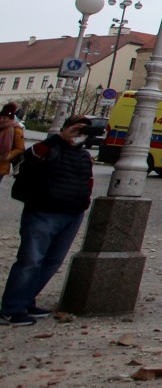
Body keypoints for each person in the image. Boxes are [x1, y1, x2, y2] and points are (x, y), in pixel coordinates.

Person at [2, 116, 96, 326]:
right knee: (30, 260)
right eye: (76, 130)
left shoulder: (82, 155)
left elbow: (86, 181)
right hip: (44, 211)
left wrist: (83, 203)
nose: (79, 135)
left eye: (83, 132)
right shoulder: (48, 148)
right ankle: (12, 308)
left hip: (72, 214)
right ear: (65, 128)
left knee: (52, 261)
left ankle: (26, 300)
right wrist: (59, 137)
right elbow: (30, 157)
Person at [0, 103, 24, 187]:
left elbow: (20, 148)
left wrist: (8, 155)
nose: (2, 120)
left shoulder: (16, 130)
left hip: (2, 163)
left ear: (10, 119)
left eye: (4, 118)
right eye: (1, 117)